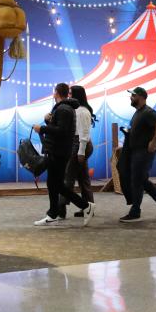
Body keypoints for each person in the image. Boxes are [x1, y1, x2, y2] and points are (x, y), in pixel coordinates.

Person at [34, 83, 94, 226]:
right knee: (55, 184)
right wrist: (48, 121)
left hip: (59, 152)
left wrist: (41, 128)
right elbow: (60, 127)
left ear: (56, 93)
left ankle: (85, 206)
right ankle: (54, 212)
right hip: (58, 150)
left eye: (54, 92)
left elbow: (61, 131)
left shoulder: (64, 109)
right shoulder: (64, 109)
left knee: (60, 184)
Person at [118, 87, 156, 222]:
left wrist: (154, 142)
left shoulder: (148, 112)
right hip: (136, 151)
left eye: (134, 95)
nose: (131, 97)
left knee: (137, 180)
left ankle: (136, 211)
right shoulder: (138, 113)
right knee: (141, 180)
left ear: (141, 97)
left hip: (143, 152)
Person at [65, 84, 97, 218]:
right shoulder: (77, 110)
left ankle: (60, 208)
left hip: (80, 144)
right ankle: (89, 207)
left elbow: (84, 134)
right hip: (78, 144)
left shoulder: (82, 111)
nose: (69, 96)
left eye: (71, 94)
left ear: (77, 96)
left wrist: (81, 152)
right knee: (83, 178)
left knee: (69, 177)